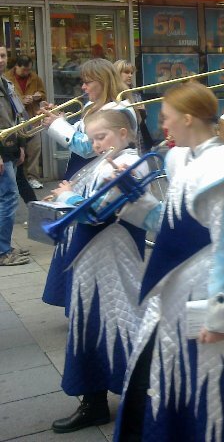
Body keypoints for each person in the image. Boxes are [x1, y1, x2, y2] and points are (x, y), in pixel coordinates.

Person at [115, 81, 224, 441]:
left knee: (219, 387)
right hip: (175, 289)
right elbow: (170, 223)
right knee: (164, 376)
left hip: (206, 290)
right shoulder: (183, 158)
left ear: (188, 118)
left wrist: (221, 316)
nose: (163, 126)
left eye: (167, 118)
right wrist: (132, 197)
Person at [50, 110, 148, 433]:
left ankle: (142, 399)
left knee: (120, 321)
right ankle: (94, 401)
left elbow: (98, 212)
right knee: (91, 323)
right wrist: (66, 196)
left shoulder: (131, 163)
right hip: (93, 256)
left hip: (113, 254)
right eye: (92, 139)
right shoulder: (107, 161)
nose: (95, 145)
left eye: (101, 137)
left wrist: (68, 196)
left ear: (123, 134)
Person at [40, 58, 136, 309]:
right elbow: (81, 135)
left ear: (102, 81)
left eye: (87, 82)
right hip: (84, 173)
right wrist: (60, 120)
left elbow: (87, 147)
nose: (83, 87)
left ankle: (85, 306)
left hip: (99, 174)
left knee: (83, 236)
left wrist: (56, 126)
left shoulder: (119, 109)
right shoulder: (94, 106)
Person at [0, 46, 29, 267]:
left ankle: (5, 246)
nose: (1, 60)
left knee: (7, 197)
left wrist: (21, 145)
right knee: (8, 197)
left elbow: (16, 118)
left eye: (2, 55)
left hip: (10, 146)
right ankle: (2, 251)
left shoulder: (6, 84)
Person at [5, 55, 46, 188]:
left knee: (34, 148)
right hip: (14, 119)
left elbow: (43, 93)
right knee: (15, 150)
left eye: (29, 70)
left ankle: (33, 177)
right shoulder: (6, 78)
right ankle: (17, 179)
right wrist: (21, 99)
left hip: (32, 117)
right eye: (24, 70)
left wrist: (38, 96)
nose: (27, 72)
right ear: (16, 66)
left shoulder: (35, 78)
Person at [114, 60, 154, 151]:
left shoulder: (135, 93)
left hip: (138, 137)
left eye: (131, 73)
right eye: (126, 72)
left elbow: (141, 120)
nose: (130, 75)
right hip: (120, 138)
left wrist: (142, 111)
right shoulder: (112, 93)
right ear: (117, 73)